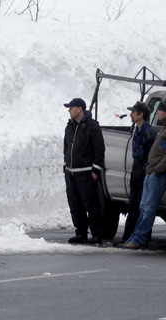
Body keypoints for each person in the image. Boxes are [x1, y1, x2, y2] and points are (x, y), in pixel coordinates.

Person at [119, 98, 166, 249]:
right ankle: (135, 236)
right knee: (143, 207)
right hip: (151, 173)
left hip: (160, 175)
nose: (158, 112)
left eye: (160, 110)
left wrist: (157, 170)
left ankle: (140, 239)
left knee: (149, 208)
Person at [63, 98, 106, 245]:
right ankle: (81, 233)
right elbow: (66, 147)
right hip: (71, 173)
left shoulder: (92, 126)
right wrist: (66, 165)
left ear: (79, 109)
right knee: (75, 205)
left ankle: (97, 234)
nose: (69, 110)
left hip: (86, 173)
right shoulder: (69, 126)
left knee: (91, 205)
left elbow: (99, 149)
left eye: (71, 107)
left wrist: (95, 169)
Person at [115, 101, 153, 244]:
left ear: (140, 115)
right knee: (132, 206)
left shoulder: (148, 132)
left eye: (133, 112)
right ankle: (128, 236)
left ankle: (141, 238)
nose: (130, 114)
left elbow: (150, 155)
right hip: (136, 170)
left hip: (143, 170)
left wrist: (145, 171)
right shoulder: (137, 130)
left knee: (141, 206)